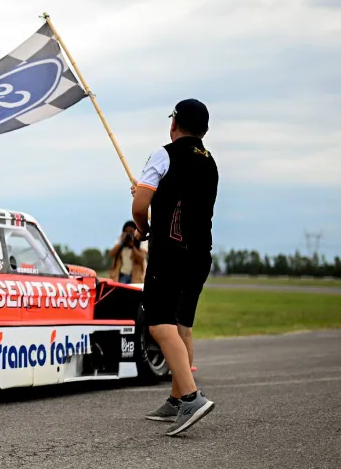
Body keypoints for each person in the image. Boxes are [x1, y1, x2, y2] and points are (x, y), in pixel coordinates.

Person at [130, 98, 218, 436]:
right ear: (204, 130)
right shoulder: (210, 162)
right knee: (182, 325)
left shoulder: (163, 154)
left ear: (174, 124)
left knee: (158, 323)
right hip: (200, 254)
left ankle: (192, 398)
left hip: (170, 252)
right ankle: (177, 399)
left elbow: (141, 205)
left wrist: (141, 226)